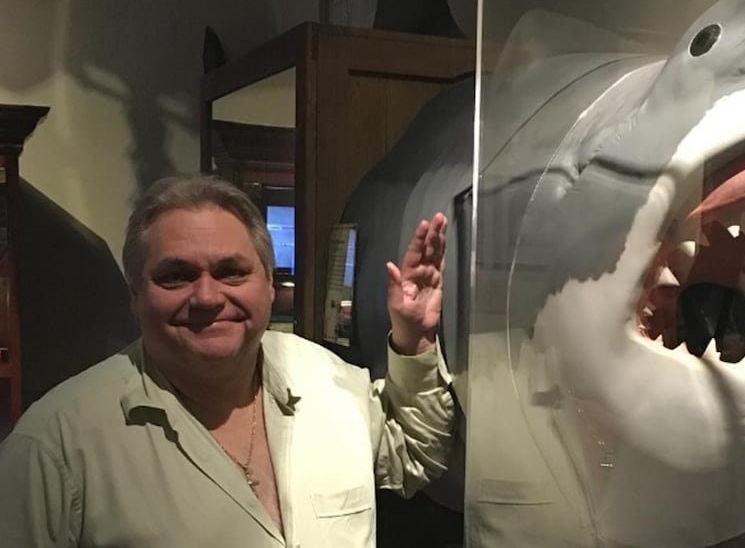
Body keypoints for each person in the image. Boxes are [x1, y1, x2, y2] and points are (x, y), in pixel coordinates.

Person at [0, 174, 455, 547]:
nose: (207, 296)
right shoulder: (54, 445)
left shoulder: (330, 382)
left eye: (231, 271)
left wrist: (414, 340)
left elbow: (414, 455)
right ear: (136, 297)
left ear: (269, 285)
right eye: (175, 276)